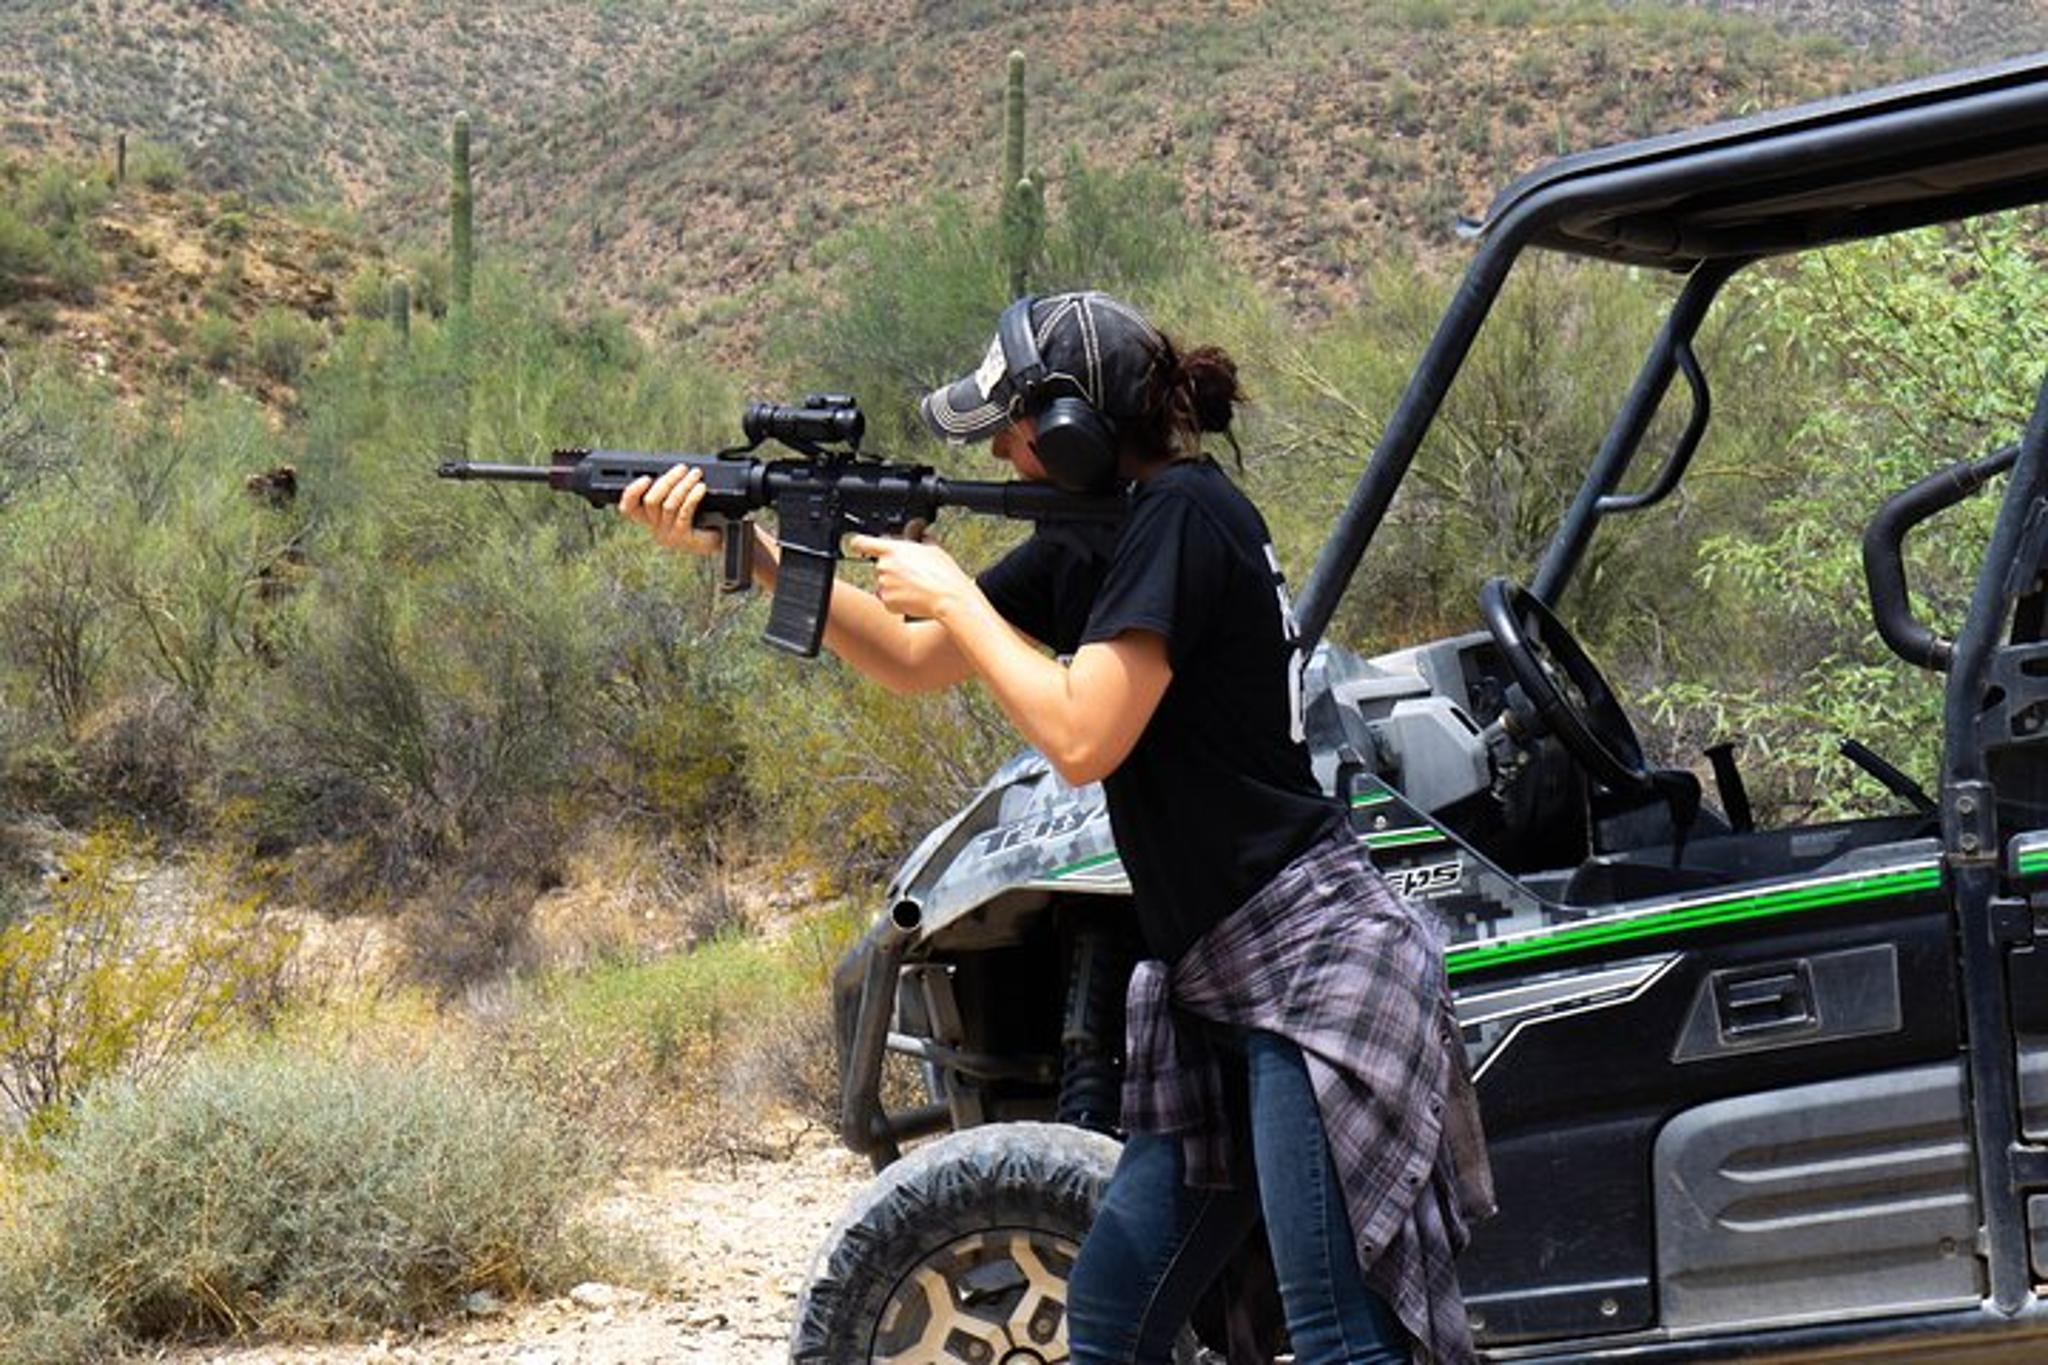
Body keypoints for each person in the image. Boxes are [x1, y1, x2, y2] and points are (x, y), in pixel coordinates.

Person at [617, 291, 1492, 1364]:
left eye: (1013, 427)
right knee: (1113, 1316)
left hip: (1308, 966)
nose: (1001, 450)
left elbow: (1084, 735)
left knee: (1338, 1336)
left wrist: (956, 596)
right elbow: (911, 658)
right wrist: (752, 549)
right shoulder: (1101, 536)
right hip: (1213, 978)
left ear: (1074, 428)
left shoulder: (1184, 516)